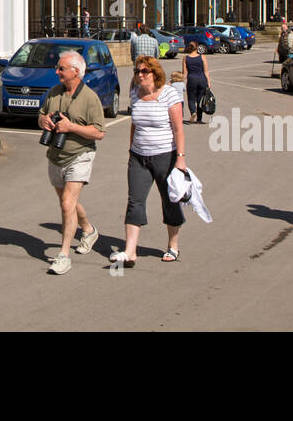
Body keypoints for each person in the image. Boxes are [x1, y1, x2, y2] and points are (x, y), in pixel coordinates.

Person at [111, 54, 186, 266]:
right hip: (138, 157)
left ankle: (173, 245)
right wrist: (130, 148)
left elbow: (178, 129)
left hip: (165, 156)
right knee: (135, 201)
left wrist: (180, 159)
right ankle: (130, 251)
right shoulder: (135, 94)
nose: (140, 75)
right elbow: (134, 124)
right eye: (137, 71)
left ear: (155, 74)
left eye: (145, 71)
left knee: (169, 200)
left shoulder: (169, 94)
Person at [38, 49, 107, 275]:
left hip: (80, 154)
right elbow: (40, 115)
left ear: (76, 72)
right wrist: (45, 121)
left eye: (61, 68)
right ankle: (88, 229)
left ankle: (63, 255)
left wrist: (71, 127)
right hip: (56, 155)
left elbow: (98, 132)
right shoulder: (54, 92)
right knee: (68, 202)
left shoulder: (90, 98)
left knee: (67, 203)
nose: (56, 71)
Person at [183, 41, 211, 124]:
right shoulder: (202, 57)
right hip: (202, 79)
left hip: (191, 80)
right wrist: (209, 82)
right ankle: (199, 119)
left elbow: (184, 73)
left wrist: (180, 82)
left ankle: (193, 112)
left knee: (191, 99)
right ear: (197, 48)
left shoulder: (186, 58)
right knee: (200, 100)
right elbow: (206, 71)